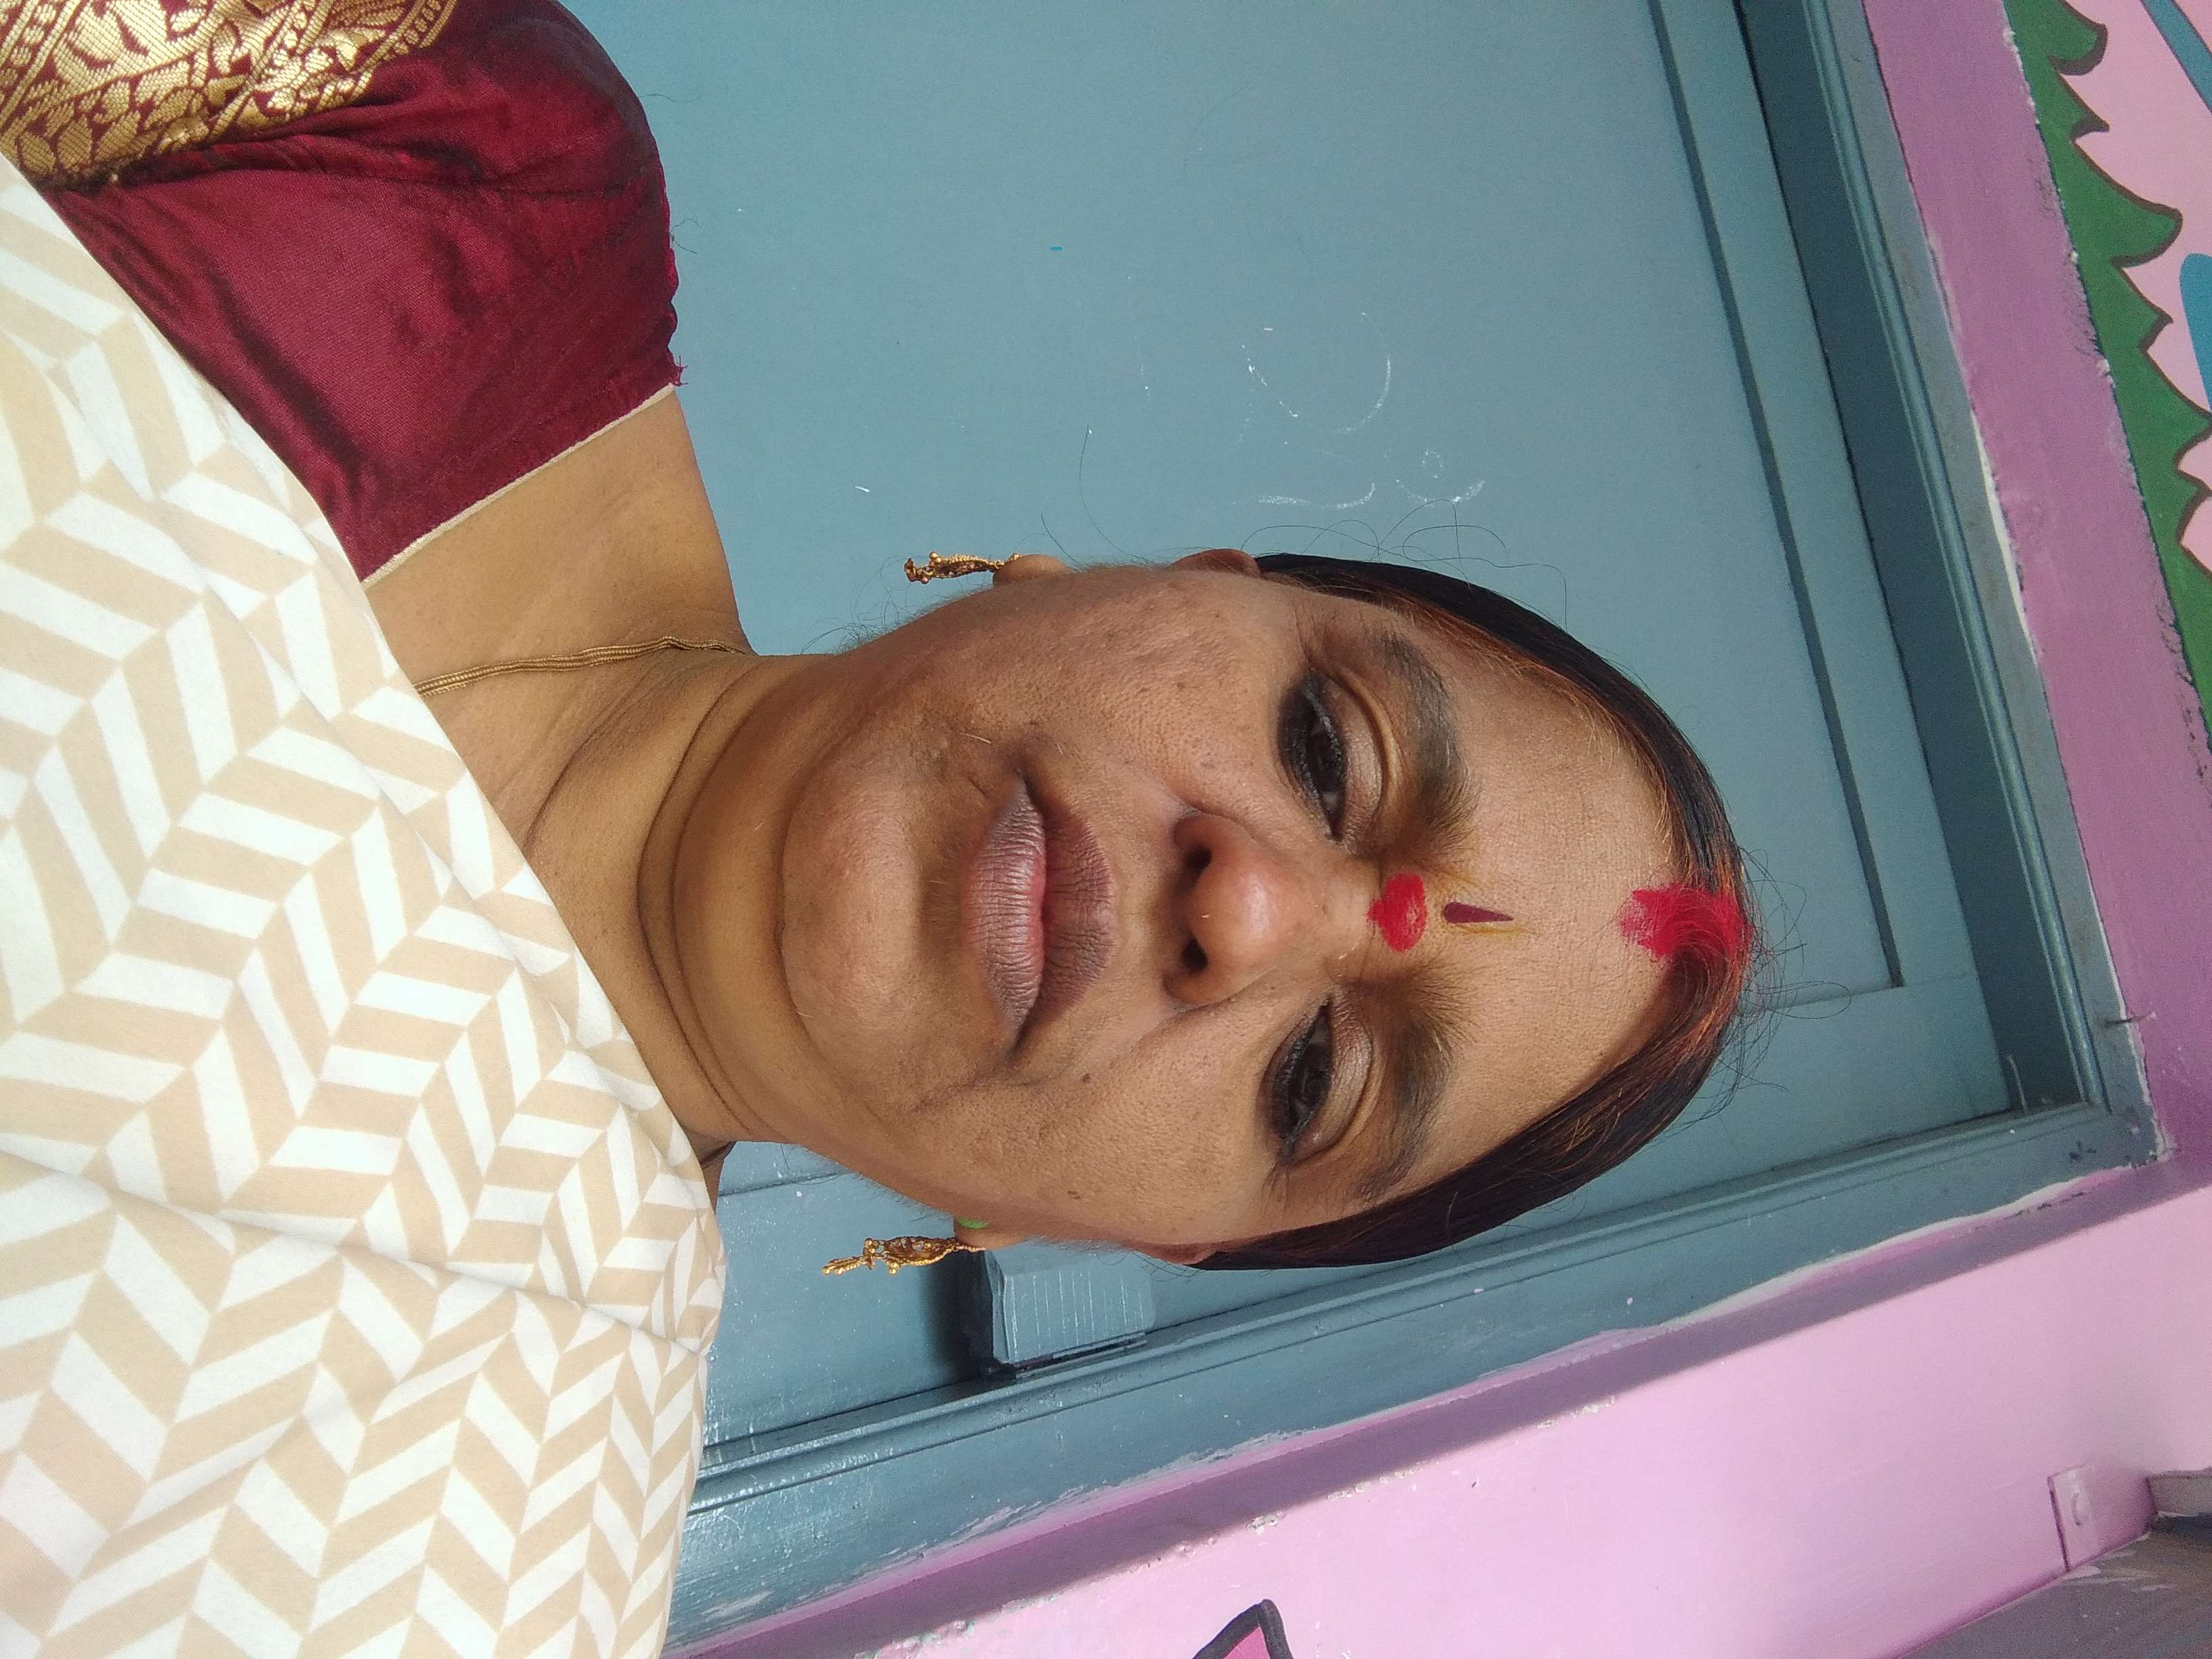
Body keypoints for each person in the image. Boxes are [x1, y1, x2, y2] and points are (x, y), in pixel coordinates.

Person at [0, 0, 1757, 1650]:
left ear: (1135, 1235)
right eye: (1325, 744)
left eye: (1313, 1085)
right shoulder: (450, 159)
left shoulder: (476, 1548)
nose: (1249, 913)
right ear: (1171, 577)